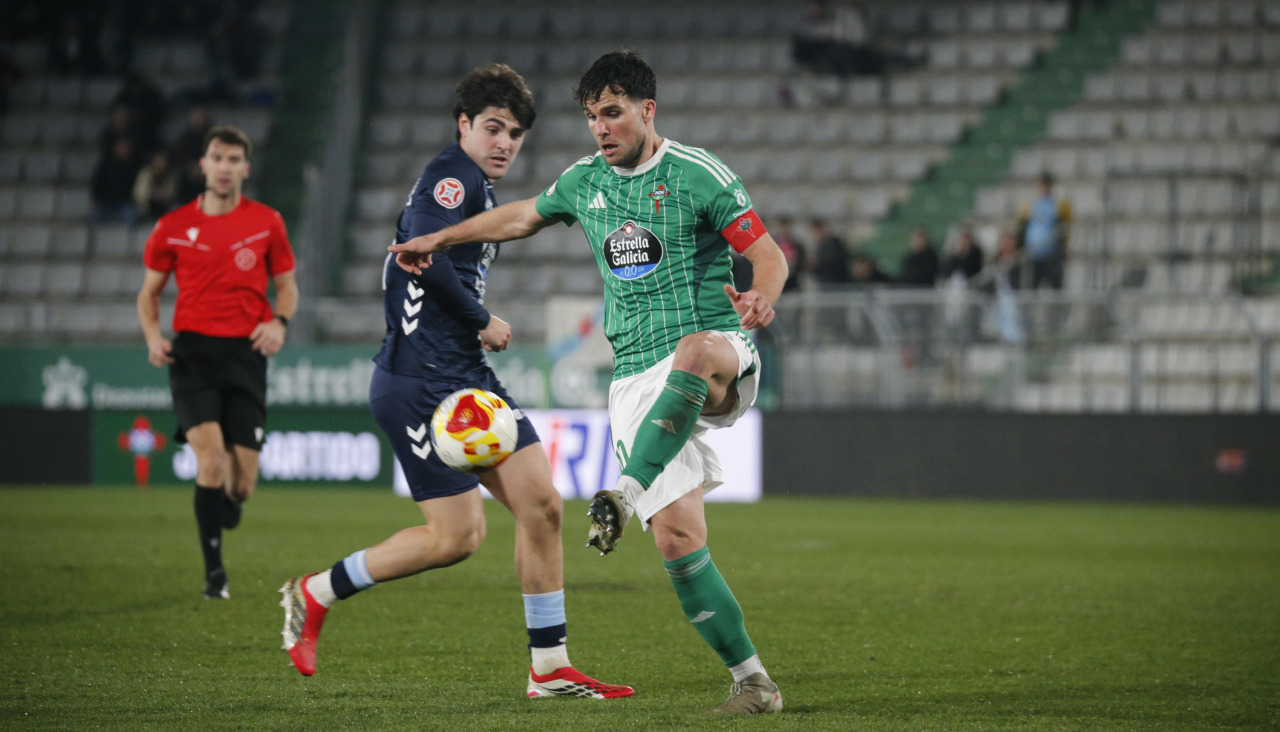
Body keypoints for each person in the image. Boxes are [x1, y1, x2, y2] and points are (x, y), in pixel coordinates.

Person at [390, 51, 789, 715]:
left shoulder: (699, 174)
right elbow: (520, 215)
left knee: (693, 350)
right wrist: (444, 236)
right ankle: (754, 683)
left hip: (716, 351)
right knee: (678, 539)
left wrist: (761, 297)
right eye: (591, 117)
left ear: (646, 110)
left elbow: (766, 255)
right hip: (636, 379)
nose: (600, 128)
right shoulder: (583, 182)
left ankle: (623, 494)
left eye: (612, 113)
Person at [277, 64, 633, 701]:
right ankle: (316, 591)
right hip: (419, 379)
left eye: (516, 133)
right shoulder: (454, 176)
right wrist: (482, 318)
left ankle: (549, 669)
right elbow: (419, 252)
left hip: (463, 375)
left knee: (542, 508)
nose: (504, 143)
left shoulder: (476, 187)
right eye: (492, 127)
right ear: (463, 125)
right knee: (455, 538)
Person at [136, 125, 298, 600]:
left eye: (233, 160)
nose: (224, 166)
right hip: (193, 354)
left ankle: (229, 503)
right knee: (209, 460)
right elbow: (148, 294)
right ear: (203, 165)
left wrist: (280, 322)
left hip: (245, 353)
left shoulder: (267, 222)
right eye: (216, 157)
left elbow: (287, 285)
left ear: (245, 169)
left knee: (242, 484)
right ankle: (215, 576)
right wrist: (153, 337)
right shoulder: (171, 227)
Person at [1015, 173, 1072, 290]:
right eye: (1042, 186)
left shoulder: (1060, 205)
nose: (1044, 189)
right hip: (1034, 254)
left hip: (1053, 254)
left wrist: (1063, 249)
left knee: (1056, 288)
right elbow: (1021, 226)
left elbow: (1065, 228)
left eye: (1047, 186)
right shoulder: (1029, 205)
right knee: (1032, 287)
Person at [133, 149, 178, 221]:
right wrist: (151, 193)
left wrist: (162, 194)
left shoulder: (170, 175)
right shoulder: (145, 173)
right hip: (147, 206)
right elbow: (138, 193)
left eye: (163, 161)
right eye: (158, 161)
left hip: (165, 205)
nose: (161, 164)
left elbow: (173, 192)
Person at [809, 217, 851, 286]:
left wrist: (817, 263)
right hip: (824, 284)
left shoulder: (836, 244)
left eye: (817, 232)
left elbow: (835, 262)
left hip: (838, 285)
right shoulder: (819, 247)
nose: (815, 235)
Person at [771, 215, 808, 292]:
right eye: (781, 226)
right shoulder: (772, 243)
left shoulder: (797, 244)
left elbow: (802, 260)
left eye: (785, 226)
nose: (783, 229)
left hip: (793, 279)